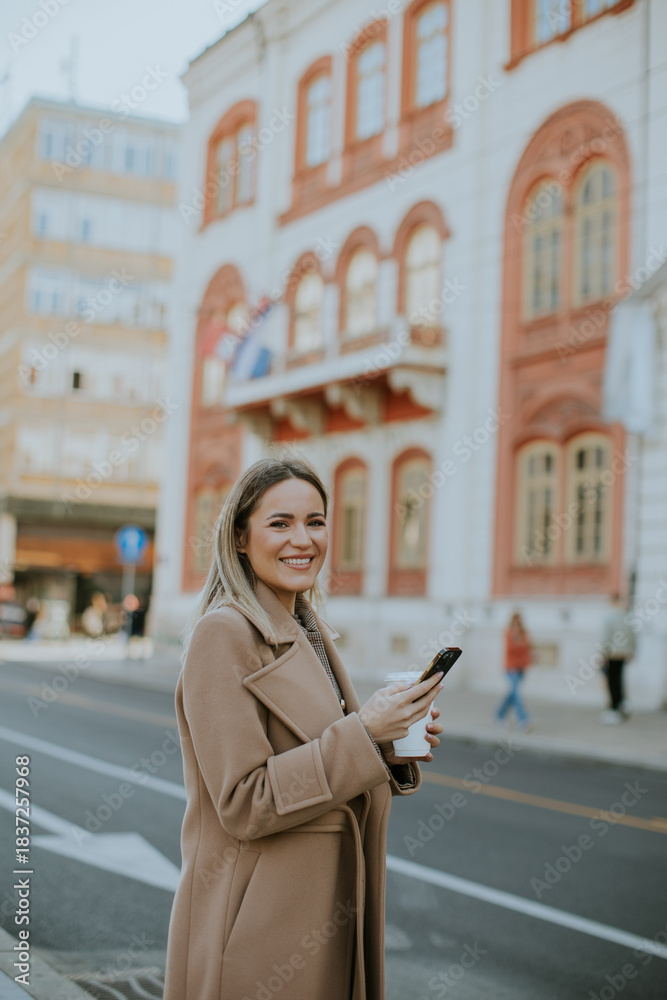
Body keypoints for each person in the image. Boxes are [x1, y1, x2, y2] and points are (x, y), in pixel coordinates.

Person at [162, 457, 445, 1000]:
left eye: (315, 521)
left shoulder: (306, 628)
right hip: (257, 931)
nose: (304, 539)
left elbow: (320, 757)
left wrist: (387, 746)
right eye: (280, 523)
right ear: (241, 537)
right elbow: (246, 801)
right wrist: (364, 734)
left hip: (321, 918)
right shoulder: (223, 636)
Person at [599, 592, 636, 724]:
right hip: (624, 653)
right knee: (619, 679)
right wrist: (632, 651)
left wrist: (603, 654)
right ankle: (622, 704)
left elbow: (606, 638)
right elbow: (633, 635)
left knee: (612, 681)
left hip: (612, 654)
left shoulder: (610, 617)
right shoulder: (627, 616)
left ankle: (614, 709)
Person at [495, 611, 534, 732]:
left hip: (521, 667)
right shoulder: (508, 633)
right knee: (516, 693)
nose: (517, 625)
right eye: (515, 622)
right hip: (511, 668)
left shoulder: (524, 633)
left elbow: (529, 646)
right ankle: (523, 720)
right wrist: (519, 641)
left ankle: (499, 715)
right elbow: (511, 649)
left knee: (512, 694)